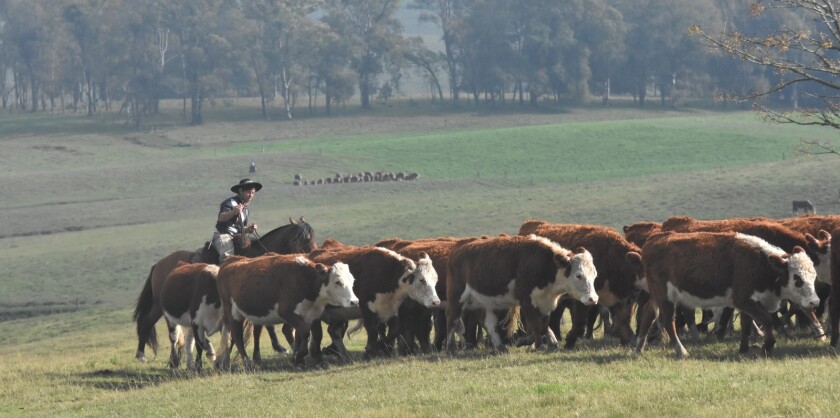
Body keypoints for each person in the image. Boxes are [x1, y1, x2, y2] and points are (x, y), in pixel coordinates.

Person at [212, 178, 261, 263]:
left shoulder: (246, 209)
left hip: (236, 236)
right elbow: (221, 218)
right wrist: (233, 212)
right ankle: (224, 274)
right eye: (248, 192)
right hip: (223, 235)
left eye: (253, 193)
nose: (251, 195)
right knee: (228, 257)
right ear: (240, 191)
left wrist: (248, 229)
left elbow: (238, 229)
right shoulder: (229, 203)